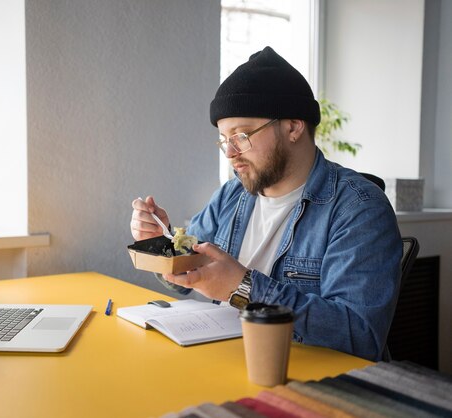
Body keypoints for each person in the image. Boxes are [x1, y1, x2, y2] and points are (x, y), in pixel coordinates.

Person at [130, 46, 402, 361]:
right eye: (224, 140)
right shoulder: (231, 195)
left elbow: (360, 335)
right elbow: (185, 277)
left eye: (241, 135)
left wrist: (243, 288)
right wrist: (161, 244)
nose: (230, 153)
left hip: (313, 382)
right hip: (233, 362)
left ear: (293, 127)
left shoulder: (359, 209)